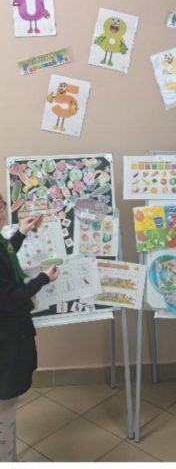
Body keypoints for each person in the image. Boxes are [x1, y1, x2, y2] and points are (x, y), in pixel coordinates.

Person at [0, 196, 59, 462]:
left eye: (1, 206)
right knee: (5, 400)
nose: (1, 213)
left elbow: (5, 256)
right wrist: (43, 279)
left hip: (11, 334)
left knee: (8, 400)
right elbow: (10, 297)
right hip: (6, 338)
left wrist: (21, 233)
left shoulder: (1, 241)